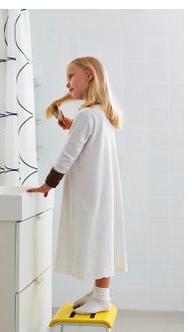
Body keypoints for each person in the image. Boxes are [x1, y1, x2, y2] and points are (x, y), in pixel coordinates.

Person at [27, 56, 128, 314]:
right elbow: (91, 139)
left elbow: (68, 155)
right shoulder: (101, 113)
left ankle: (102, 298)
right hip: (102, 189)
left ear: (89, 75)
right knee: (101, 236)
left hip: (90, 192)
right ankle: (99, 291)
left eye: (71, 75)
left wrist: (48, 184)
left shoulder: (86, 115)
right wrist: (73, 126)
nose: (67, 83)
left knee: (95, 237)